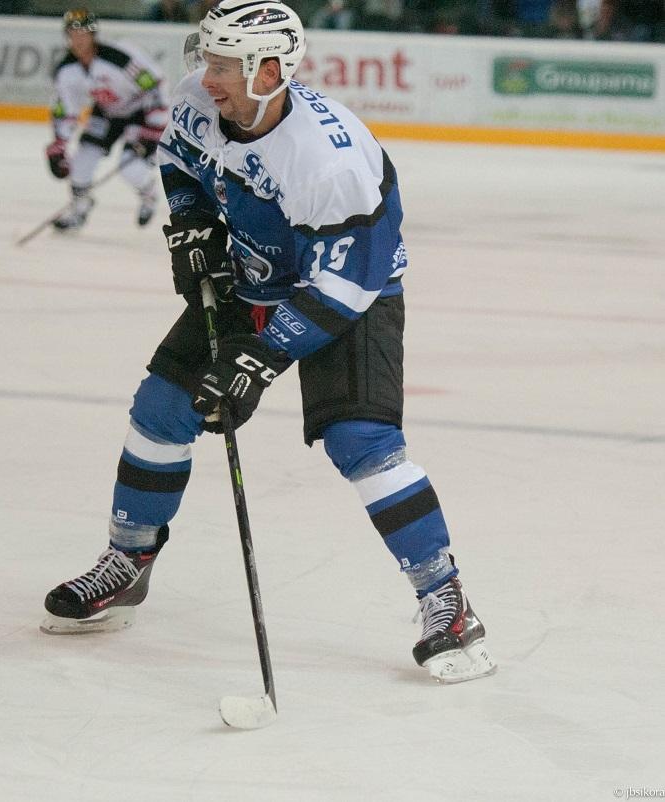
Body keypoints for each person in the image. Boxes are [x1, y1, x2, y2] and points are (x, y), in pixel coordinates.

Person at [41, 0, 497, 685]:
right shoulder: (199, 100)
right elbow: (179, 159)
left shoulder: (327, 160)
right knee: (161, 408)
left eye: (224, 65)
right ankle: (128, 559)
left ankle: (446, 599)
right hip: (250, 274)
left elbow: (350, 279)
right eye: (208, 60)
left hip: (347, 292)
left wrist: (260, 357)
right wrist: (193, 222)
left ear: (270, 71)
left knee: (362, 441)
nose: (207, 77)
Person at [45, 9, 169, 230]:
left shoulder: (119, 58)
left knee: (130, 168)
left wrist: (155, 128)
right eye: (73, 34)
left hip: (140, 113)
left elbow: (154, 85)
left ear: (93, 35)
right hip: (106, 113)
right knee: (81, 163)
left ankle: (149, 195)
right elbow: (66, 109)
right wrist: (59, 144)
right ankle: (80, 208)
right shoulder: (66, 70)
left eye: (83, 33)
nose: (78, 39)